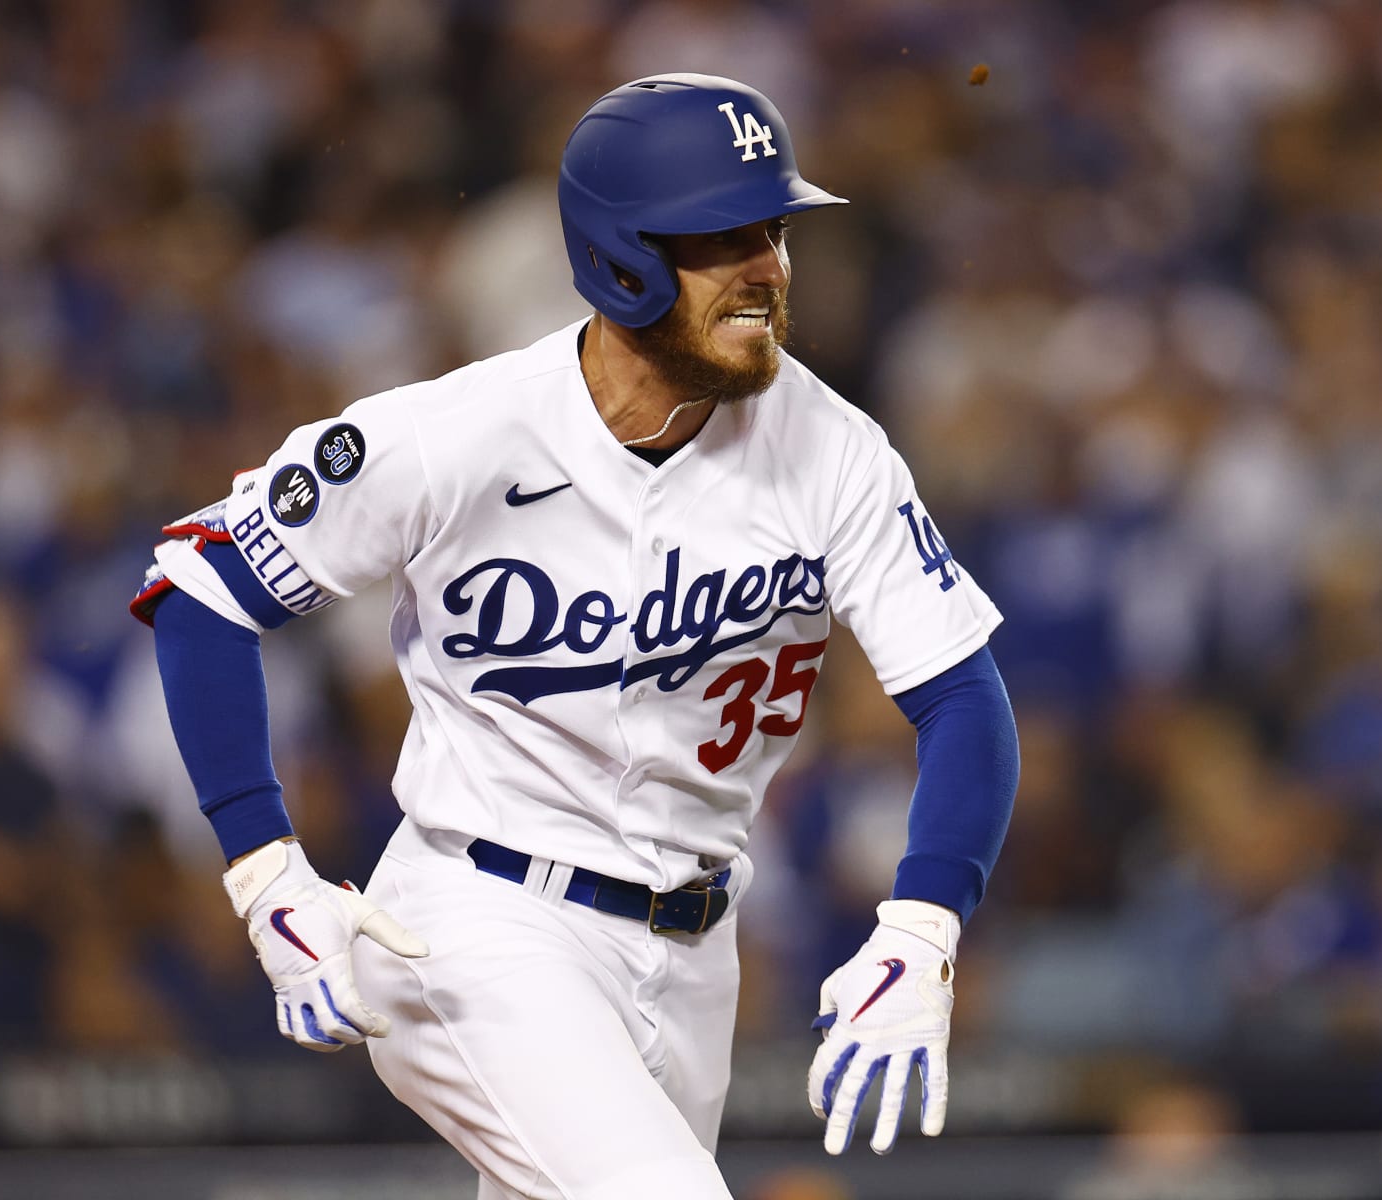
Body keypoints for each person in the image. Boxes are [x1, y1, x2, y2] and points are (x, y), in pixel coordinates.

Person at [135, 74, 1020, 1200]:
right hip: (479, 920)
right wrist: (266, 874)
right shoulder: (457, 435)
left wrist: (926, 922)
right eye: (726, 237)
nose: (769, 268)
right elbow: (200, 587)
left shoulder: (833, 450)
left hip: (698, 952)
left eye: (776, 230)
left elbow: (964, 698)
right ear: (622, 259)